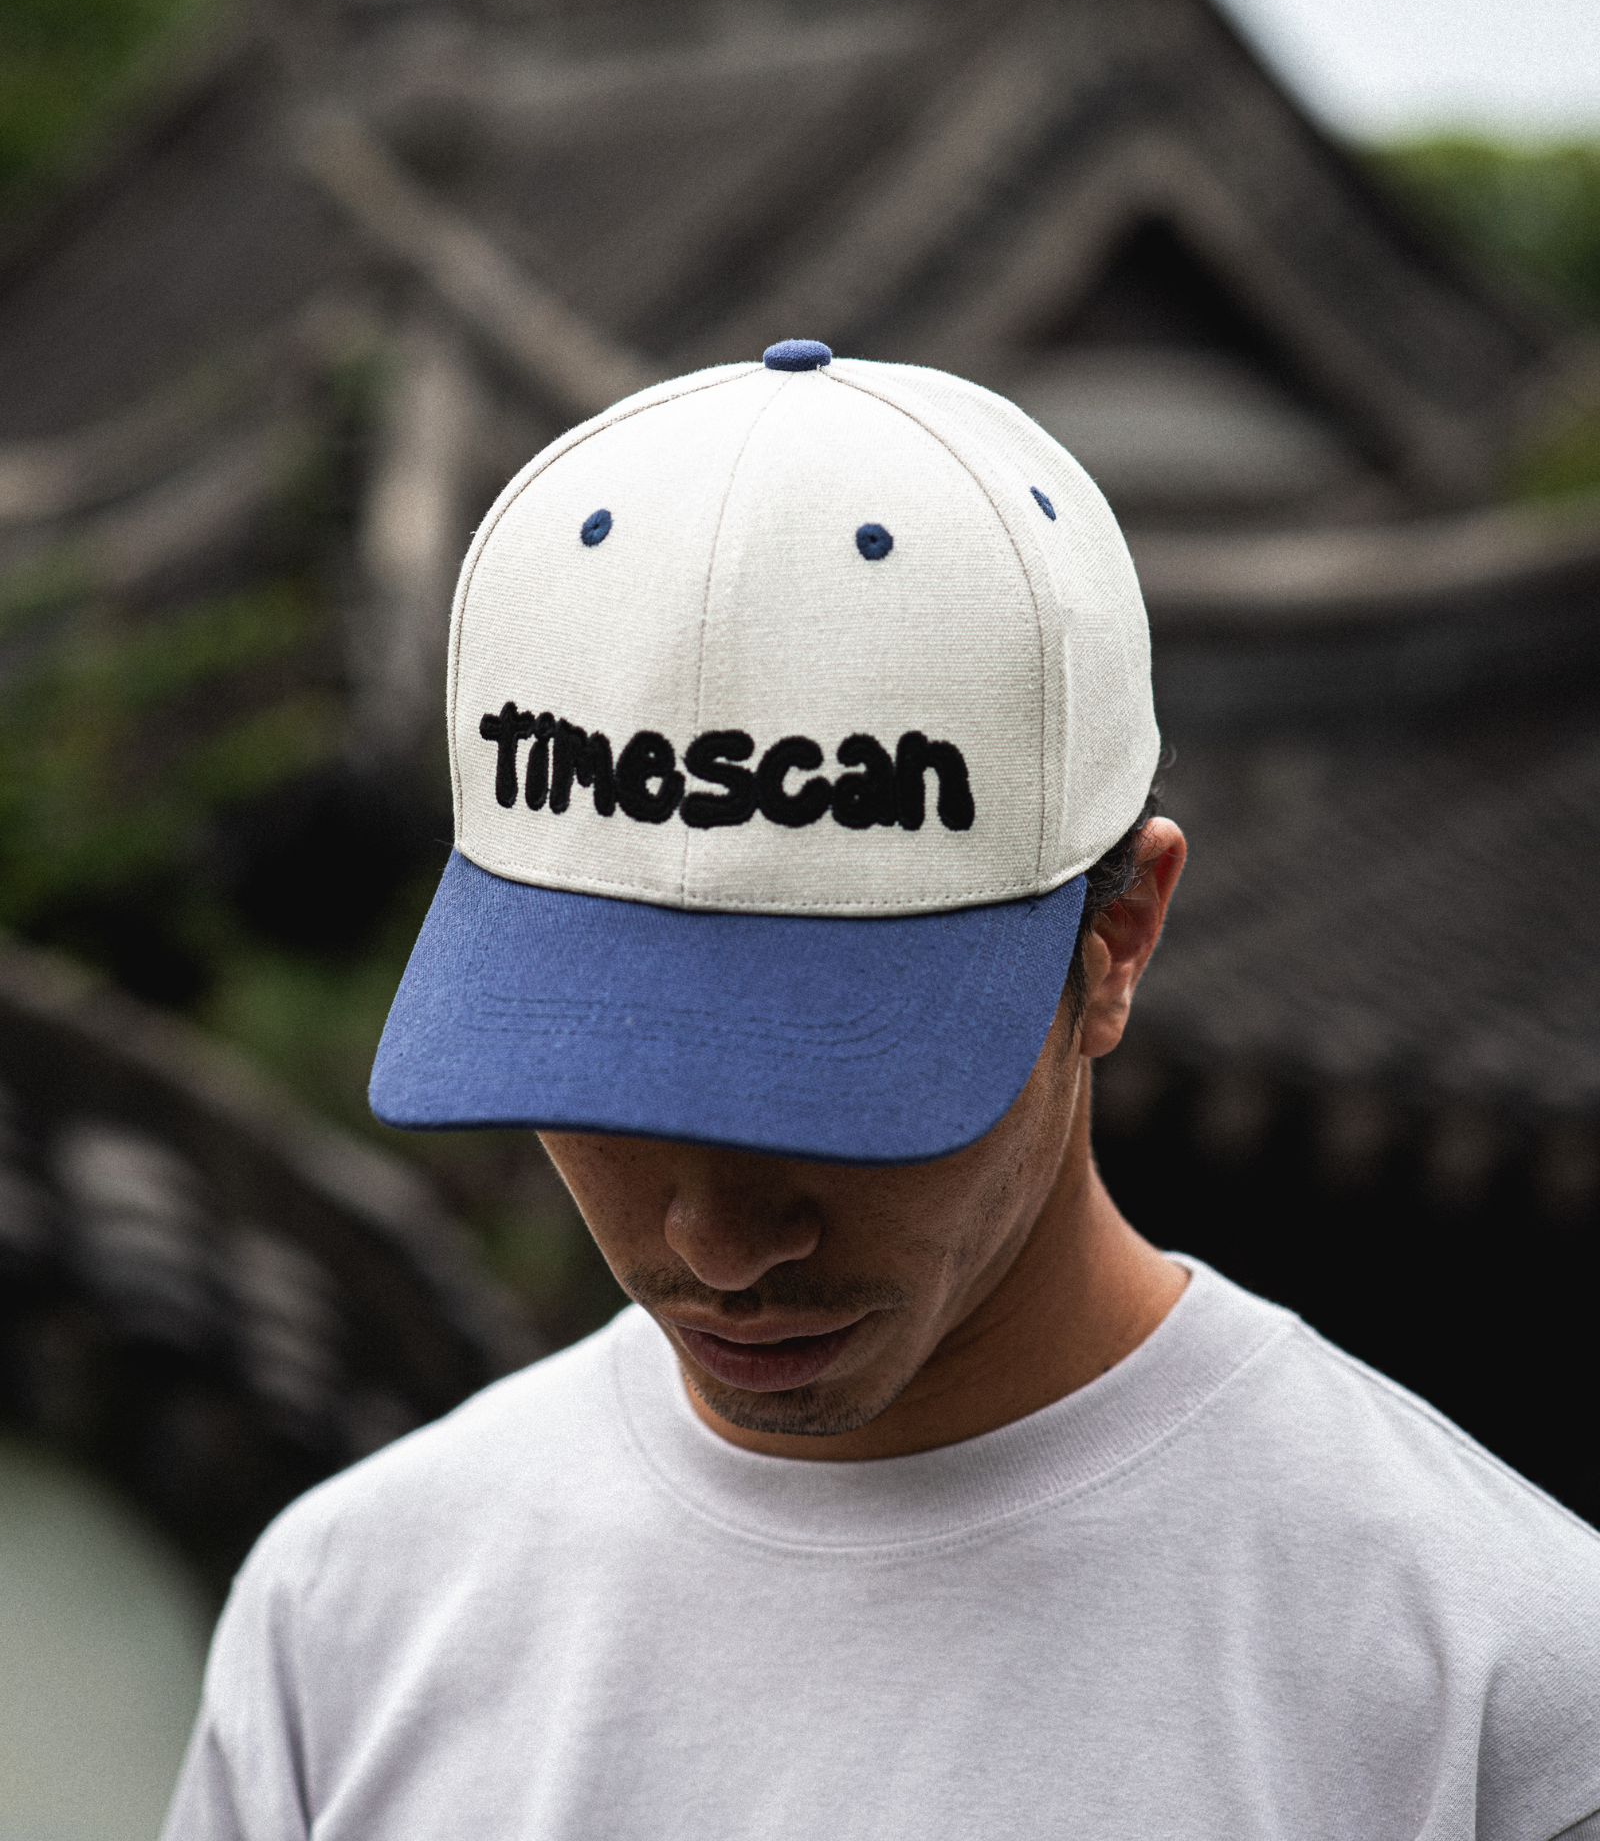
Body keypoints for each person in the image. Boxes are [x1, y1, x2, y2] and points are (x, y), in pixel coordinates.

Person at [165, 342, 1600, 1840]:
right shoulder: (346, 1623)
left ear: (1118, 935)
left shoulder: (1496, 1697)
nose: (718, 1244)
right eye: (607, 1077)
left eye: (830, 1091)